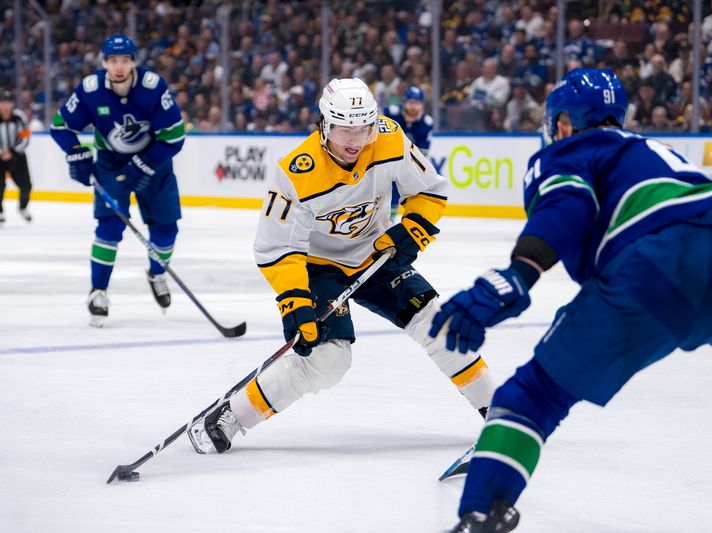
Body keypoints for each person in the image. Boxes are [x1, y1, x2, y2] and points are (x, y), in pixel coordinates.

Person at [430, 69, 712, 532]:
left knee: (531, 397)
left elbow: (567, 205)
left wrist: (518, 275)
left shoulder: (569, 150)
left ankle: (481, 515)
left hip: (662, 262)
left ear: (562, 123)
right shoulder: (654, 152)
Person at [187, 78, 496, 455]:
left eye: (363, 129)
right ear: (325, 125)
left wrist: (412, 230)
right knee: (328, 359)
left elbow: (429, 190)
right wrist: (295, 300)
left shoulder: (389, 139)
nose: (354, 140)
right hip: (320, 267)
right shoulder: (296, 173)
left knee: (436, 321)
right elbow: (277, 247)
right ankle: (233, 414)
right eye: (344, 129)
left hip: (376, 254)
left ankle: (497, 411)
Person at [50, 34, 185, 327]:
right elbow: (60, 126)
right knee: (109, 227)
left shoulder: (153, 88)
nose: (119, 67)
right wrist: (76, 153)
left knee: (166, 227)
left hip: (154, 161)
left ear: (134, 62)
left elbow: (174, 136)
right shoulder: (91, 89)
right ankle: (98, 291)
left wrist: (145, 162)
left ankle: (156, 273)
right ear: (104, 63)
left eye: (125, 60)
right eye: (113, 61)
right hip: (111, 165)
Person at [383, 85, 434, 218]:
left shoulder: (426, 123)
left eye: (417, 103)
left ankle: (397, 218)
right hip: (384, 157)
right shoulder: (391, 113)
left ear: (422, 105)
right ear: (404, 102)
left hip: (408, 162)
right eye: (410, 102)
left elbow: (422, 153)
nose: (413, 106)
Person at [0, 89, 33, 224]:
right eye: (3, 102)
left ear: (12, 104)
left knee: (26, 185)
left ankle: (22, 207)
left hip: (17, 157)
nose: (6, 105)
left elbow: (25, 137)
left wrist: (12, 152)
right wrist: (1, 151)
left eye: (8, 102)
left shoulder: (20, 117)